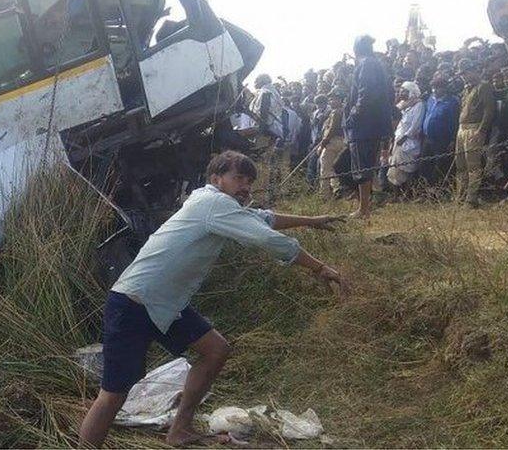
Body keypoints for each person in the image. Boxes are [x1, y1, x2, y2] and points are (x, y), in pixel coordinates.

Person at [78, 151, 348, 448]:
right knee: (113, 395)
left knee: (216, 350)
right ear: (216, 179)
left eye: (249, 180)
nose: (245, 185)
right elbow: (267, 239)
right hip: (134, 302)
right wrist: (320, 268)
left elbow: (263, 219)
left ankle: (179, 429)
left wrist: (312, 220)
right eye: (238, 178)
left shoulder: (215, 203)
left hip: (166, 304)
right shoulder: (214, 203)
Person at [345, 35, 394, 218]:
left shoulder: (367, 64)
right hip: (372, 124)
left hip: (364, 125)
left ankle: (363, 209)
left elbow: (366, 92)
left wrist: (354, 114)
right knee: (360, 165)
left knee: (362, 166)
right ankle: (364, 205)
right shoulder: (377, 64)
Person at [454, 59, 496, 206]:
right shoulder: (467, 89)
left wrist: (481, 130)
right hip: (462, 128)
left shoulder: (484, 87)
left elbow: (489, 110)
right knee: (460, 166)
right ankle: (461, 196)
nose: (463, 76)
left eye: (465, 73)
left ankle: (471, 199)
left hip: (474, 128)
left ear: (473, 71)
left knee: (473, 166)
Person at [420, 77, 460, 185]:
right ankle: (425, 190)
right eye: (433, 87)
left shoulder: (452, 102)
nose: (435, 90)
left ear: (444, 88)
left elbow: (454, 122)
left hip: (442, 140)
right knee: (424, 164)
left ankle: (437, 191)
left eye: (438, 88)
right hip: (427, 138)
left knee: (439, 166)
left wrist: (452, 140)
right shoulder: (430, 99)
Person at [387, 82, 426, 188]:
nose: (401, 93)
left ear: (412, 92)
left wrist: (404, 137)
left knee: (405, 169)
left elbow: (416, 125)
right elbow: (394, 112)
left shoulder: (419, 105)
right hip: (398, 139)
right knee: (394, 168)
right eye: (401, 91)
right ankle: (396, 194)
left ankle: (405, 194)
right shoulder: (404, 104)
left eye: (405, 91)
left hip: (409, 141)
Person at [319, 89, 347, 197]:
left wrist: (323, 143)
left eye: (333, 99)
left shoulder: (336, 112)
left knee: (325, 167)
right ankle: (337, 189)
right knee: (334, 167)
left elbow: (332, 129)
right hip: (342, 141)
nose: (331, 101)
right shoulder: (344, 110)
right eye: (330, 99)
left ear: (339, 100)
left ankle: (324, 194)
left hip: (333, 141)